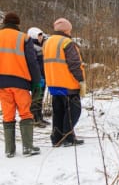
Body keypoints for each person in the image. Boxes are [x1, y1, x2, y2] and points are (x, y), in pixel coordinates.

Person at [0, 12, 42, 157]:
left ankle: (9, 150)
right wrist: (37, 82)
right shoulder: (24, 37)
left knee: (8, 114)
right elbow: (32, 61)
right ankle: (28, 147)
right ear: (17, 24)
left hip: (2, 83)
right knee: (25, 112)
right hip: (20, 81)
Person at [43, 18, 86, 147]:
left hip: (53, 83)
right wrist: (81, 80)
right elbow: (74, 64)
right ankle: (68, 137)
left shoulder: (47, 42)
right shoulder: (67, 42)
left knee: (59, 111)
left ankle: (56, 138)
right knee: (74, 110)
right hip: (68, 83)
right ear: (66, 30)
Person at [27, 27, 50, 127]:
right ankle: (35, 118)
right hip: (37, 76)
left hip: (43, 74)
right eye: (39, 36)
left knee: (40, 97)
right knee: (36, 97)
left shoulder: (41, 46)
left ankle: (39, 117)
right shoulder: (32, 46)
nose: (41, 37)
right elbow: (33, 63)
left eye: (41, 35)